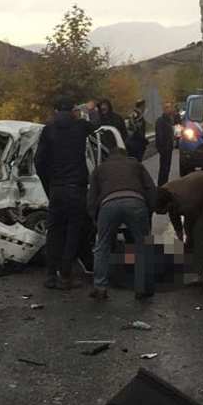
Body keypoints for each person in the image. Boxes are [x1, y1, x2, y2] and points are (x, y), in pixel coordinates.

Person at [34, 95, 92, 289]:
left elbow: (39, 161)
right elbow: (98, 124)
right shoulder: (80, 126)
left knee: (55, 232)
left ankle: (50, 275)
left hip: (57, 188)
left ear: (56, 110)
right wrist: (86, 109)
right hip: (76, 188)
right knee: (73, 231)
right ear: (73, 110)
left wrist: (48, 184)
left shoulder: (48, 129)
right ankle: (65, 275)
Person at [85, 146, 157, 300]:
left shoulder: (100, 168)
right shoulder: (136, 165)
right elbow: (151, 189)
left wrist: (95, 219)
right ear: (126, 156)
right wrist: (148, 211)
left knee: (102, 246)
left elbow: (91, 198)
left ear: (108, 157)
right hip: (135, 202)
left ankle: (100, 287)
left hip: (108, 204)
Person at [153, 170, 203, 285]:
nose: (159, 213)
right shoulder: (165, 192)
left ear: (168, 204)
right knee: (190, 232)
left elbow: (191, 223)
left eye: (161, 211)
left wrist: (187, 241)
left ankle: (200, 274)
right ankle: (192, 266)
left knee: (198, 229)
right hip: (202, 188)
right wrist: (180, 241)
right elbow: (174, 216)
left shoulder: (187, 202)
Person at [153, 101, 176, 187]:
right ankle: (162, 185)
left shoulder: (168, 120)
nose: (169, 109)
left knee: (166, 168)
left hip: (168, 148)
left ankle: (164, 184)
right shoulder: (161, 121)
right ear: (163, 109)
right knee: (164, 168)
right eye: (167, 107)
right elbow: (159, 135)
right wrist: (161, 148)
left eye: (170, 107)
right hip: (164, 148)